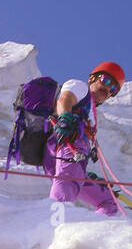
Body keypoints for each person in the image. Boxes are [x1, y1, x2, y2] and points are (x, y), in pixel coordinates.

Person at [44, 63, 125, 217]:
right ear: (92, 78)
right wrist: (65, 119)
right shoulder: (80, 86)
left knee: (108, 202)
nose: (107, 89)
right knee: (67, 183)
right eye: (105, 81)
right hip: (67, 141)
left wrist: (85, 174)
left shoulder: (91, 112)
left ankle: (89, 234)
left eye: (113, 90)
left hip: (71, 154)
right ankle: (53, 226)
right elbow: (65, 98)